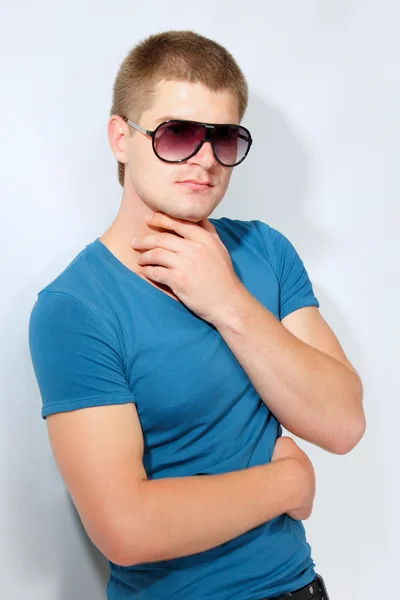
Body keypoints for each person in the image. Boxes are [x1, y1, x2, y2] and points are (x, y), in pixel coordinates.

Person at [28, 30, 365, 600]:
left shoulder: (264, 251)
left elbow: (342, 423)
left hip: (300, 590)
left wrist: (226, 299)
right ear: (120, 138)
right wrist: (286, 483)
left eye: (224, 138)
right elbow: (125, 529)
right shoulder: (74, 308)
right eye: (177, 134)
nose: (205, 160)